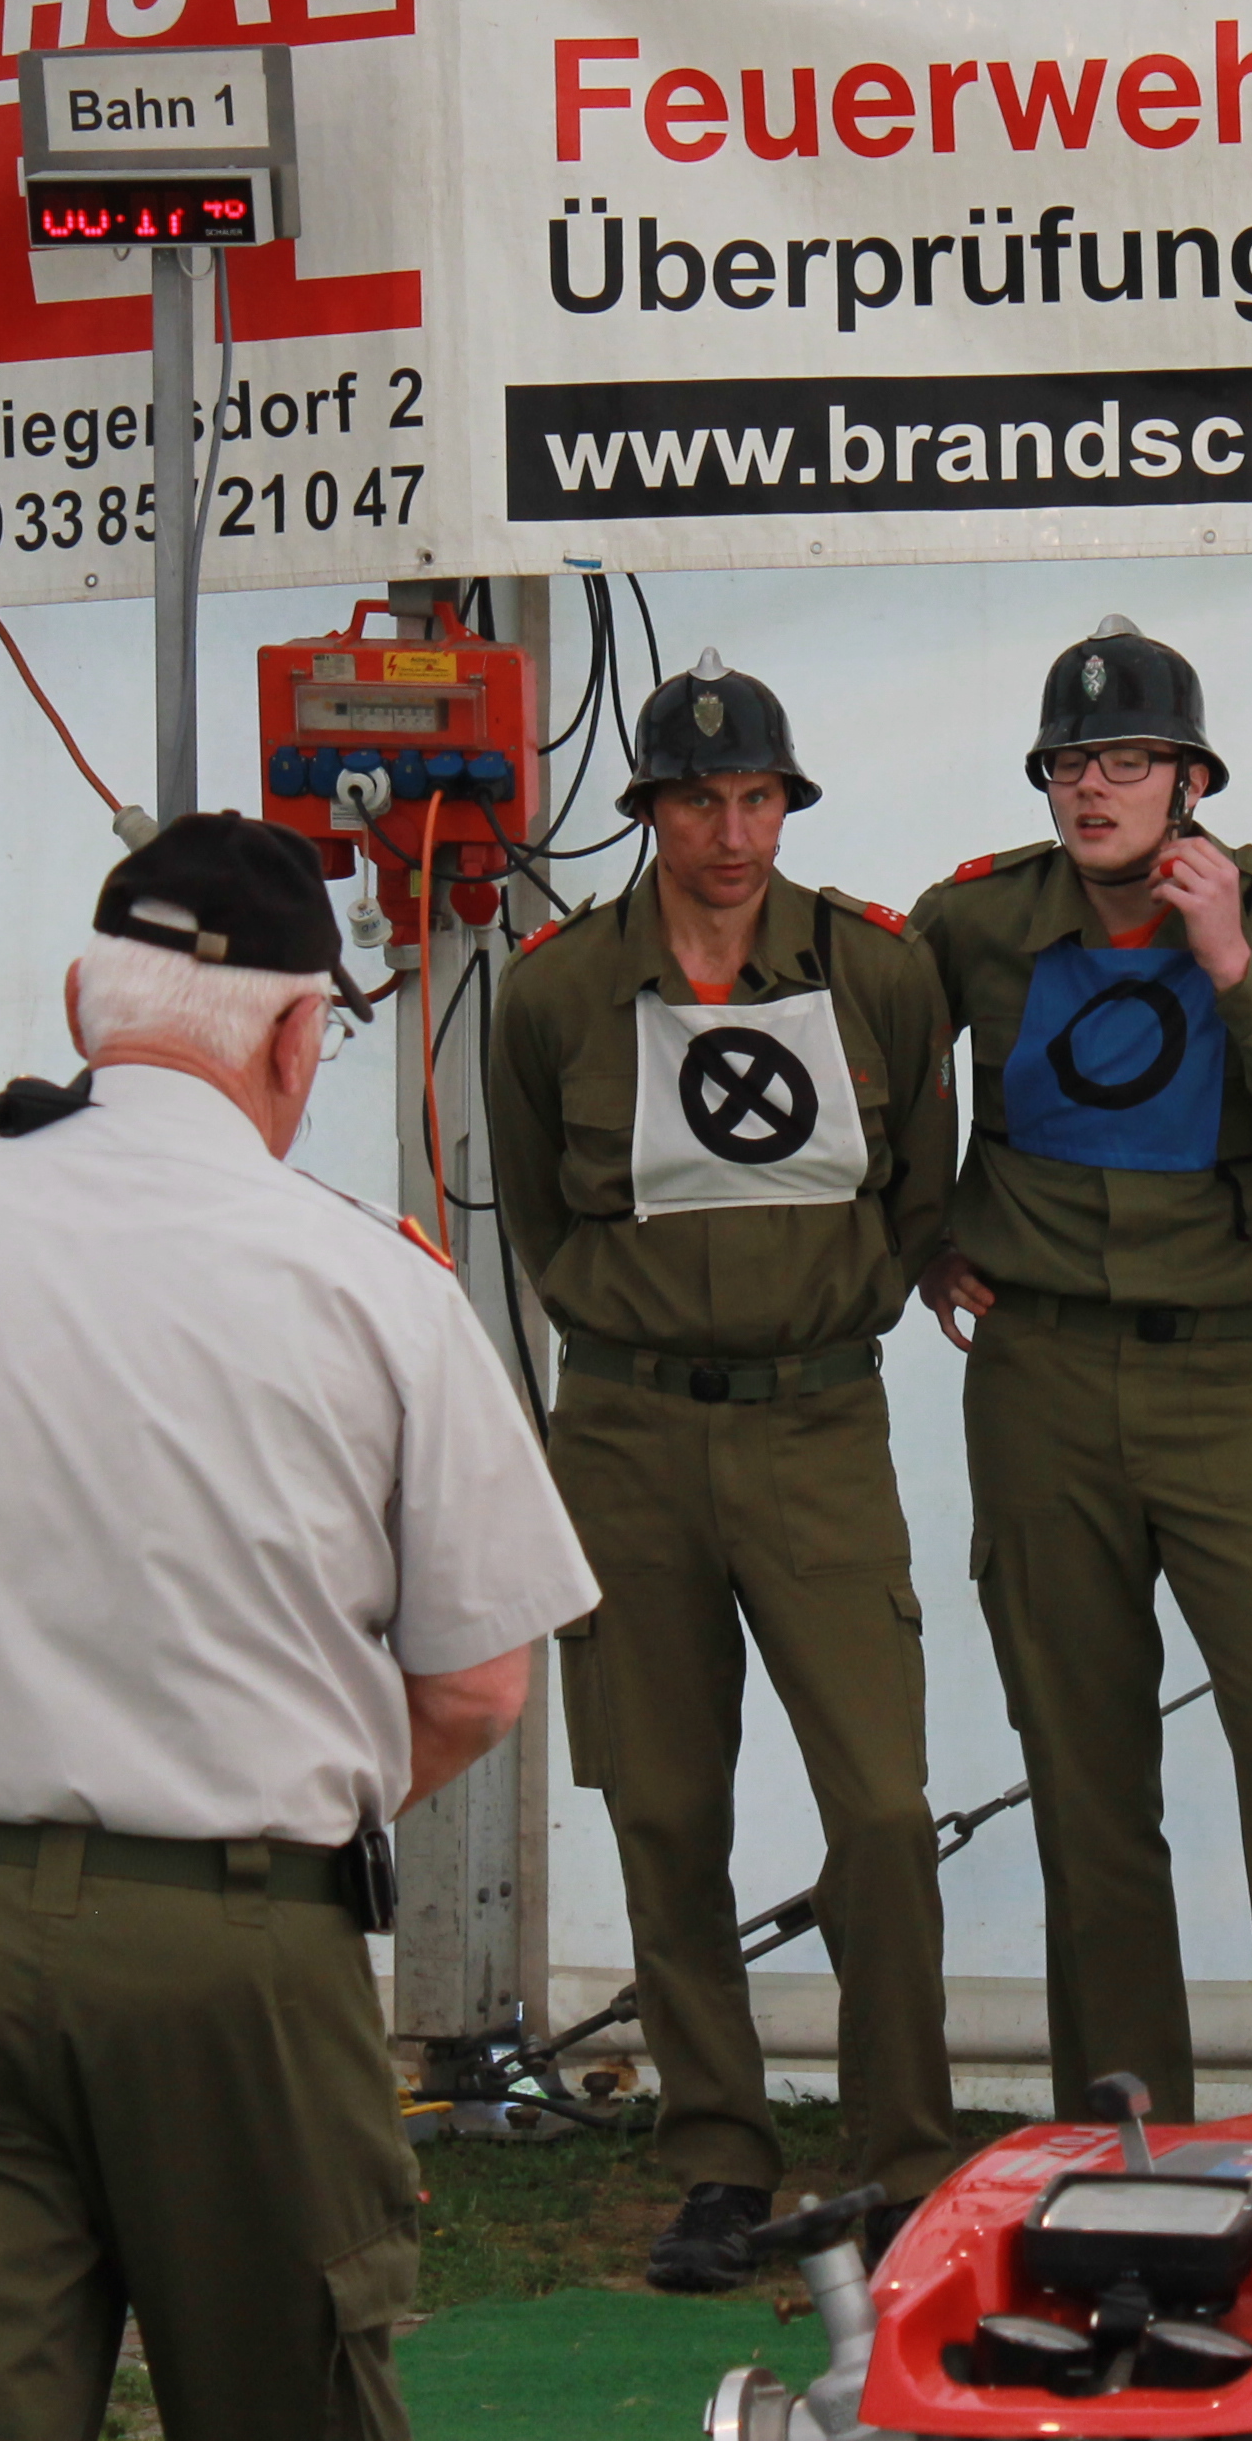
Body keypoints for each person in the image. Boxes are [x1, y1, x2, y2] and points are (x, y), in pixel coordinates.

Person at [0, 814, 593, 2438]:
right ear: (300, 1036)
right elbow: (480, 1688)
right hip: (240, 1947)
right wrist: (297, 1800)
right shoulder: (384, 1286)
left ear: (82, 1004)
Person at [486, 653, 959, 2292]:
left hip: (818, 1424)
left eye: (758, 797)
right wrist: (627, 1336)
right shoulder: (555, 993)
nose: (733, 831)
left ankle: (903, 2152)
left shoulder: (877, 971)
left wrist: (838, 1313)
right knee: (665, 1803)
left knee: (882, 1805)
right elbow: (535, 1217)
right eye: (700, 801)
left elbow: (920, 1188)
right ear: (652, 811)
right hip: (626, 1435)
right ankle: (715, 2153)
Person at [905, 617, 1252, 2122]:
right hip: (1041, 1381)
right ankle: (1129, 2141)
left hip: (1227, 1381)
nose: (1092, 786)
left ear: (1191, 778)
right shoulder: (974, 919)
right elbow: (865, 1078)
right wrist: (918, 1238)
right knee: (1086, 1773)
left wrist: (1236, 968)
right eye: (1070, 761)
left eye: (1127, 759)